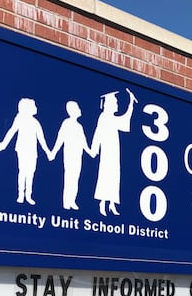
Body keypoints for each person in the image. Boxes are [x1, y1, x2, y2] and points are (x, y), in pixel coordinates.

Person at [90, 88, 137, 216]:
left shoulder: (111, 118)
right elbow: (97, 134)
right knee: (106, 175)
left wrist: (131, 104)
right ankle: (102, 204)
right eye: (115, 103)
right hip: (106, 152)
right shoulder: (104, 117)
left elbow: (124, 121)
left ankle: (112, 204)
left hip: (114, 152)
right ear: (108, 104)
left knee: (115, 176)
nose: (116, 105)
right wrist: (94, 149)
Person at [0, 98, 50, 205]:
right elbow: (11, 131)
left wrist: (48, 152)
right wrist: (3, 145)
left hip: (32, 152)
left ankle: (28, 195)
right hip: (22, 150)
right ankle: (20, 195)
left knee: (30, 173)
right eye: (34, 106)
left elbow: (41, 139)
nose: (36, 108)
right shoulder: (19, 119)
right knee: (22, 172)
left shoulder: (35, 122)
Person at [49, 101, 92, 210]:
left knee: (75, 179)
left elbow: (83, 141)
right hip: (69, 156)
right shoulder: (66, 123)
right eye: (77, 108)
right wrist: (53, 152)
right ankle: (66, 202)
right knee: (69, 178)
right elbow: (60, 138)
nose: (79, 110)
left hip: (78, 156)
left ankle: (72, 201)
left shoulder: (79, 126)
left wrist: (90, 152)